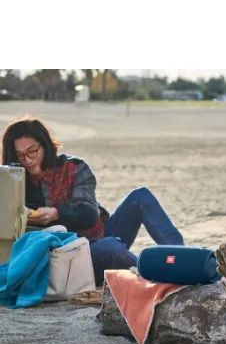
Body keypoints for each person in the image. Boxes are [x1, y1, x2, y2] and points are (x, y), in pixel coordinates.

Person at [1, 116, 184, 286]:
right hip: (66, 256)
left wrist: (56, 214)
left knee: (140, 196)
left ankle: (182, 261)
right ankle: (155, 276)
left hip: (100, 234)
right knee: (112, 248)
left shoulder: (74, 168)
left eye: (32, 151)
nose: (28, 160)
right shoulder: (11, 180)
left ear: (45, 146)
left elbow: (89, 214)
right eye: (20, 155)